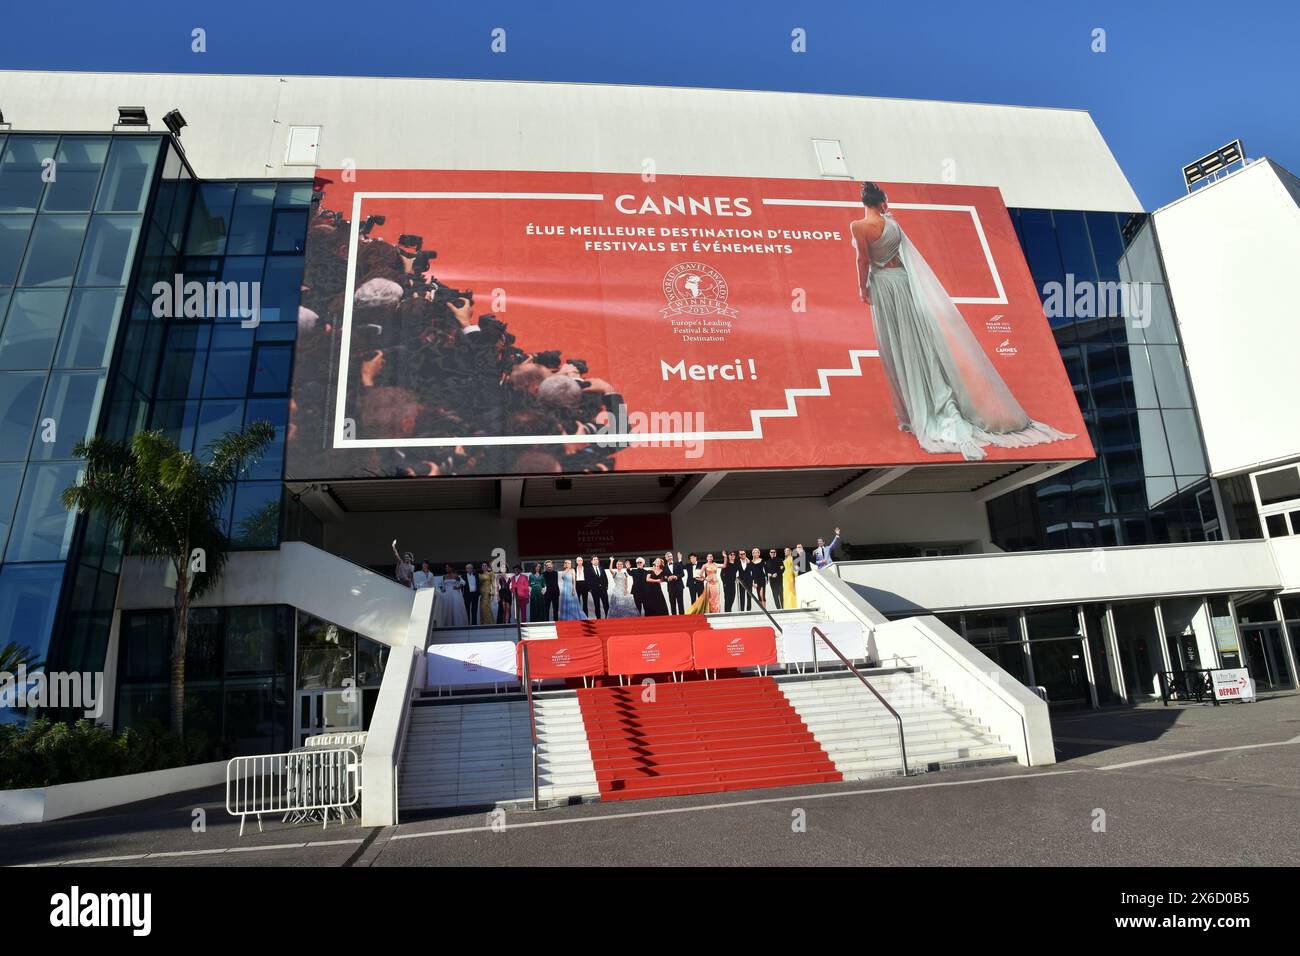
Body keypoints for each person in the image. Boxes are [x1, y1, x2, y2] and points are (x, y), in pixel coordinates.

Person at [851, 180, 1075, 461]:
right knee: (918, 340)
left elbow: (863, 259)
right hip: (904, 283)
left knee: (899, 342)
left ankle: (920, 408)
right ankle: (934, 399)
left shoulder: (858, 227)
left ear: (863, 202)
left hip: (883, 286)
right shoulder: (893, 224)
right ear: (881, 200)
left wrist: (863, 288)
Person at [664, 550, 686, 615]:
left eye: (671, 556)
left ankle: (682, 618)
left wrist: (676, 576)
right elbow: (664, 577)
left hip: (679, 586)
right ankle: (674, 618)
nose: (670, 557)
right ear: (666, 558)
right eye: (668, 556)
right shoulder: (664, 567)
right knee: (672, 603)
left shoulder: (678, 564)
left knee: (680, 603)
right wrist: (668, 578)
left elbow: (682, 574)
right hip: (670, 588)